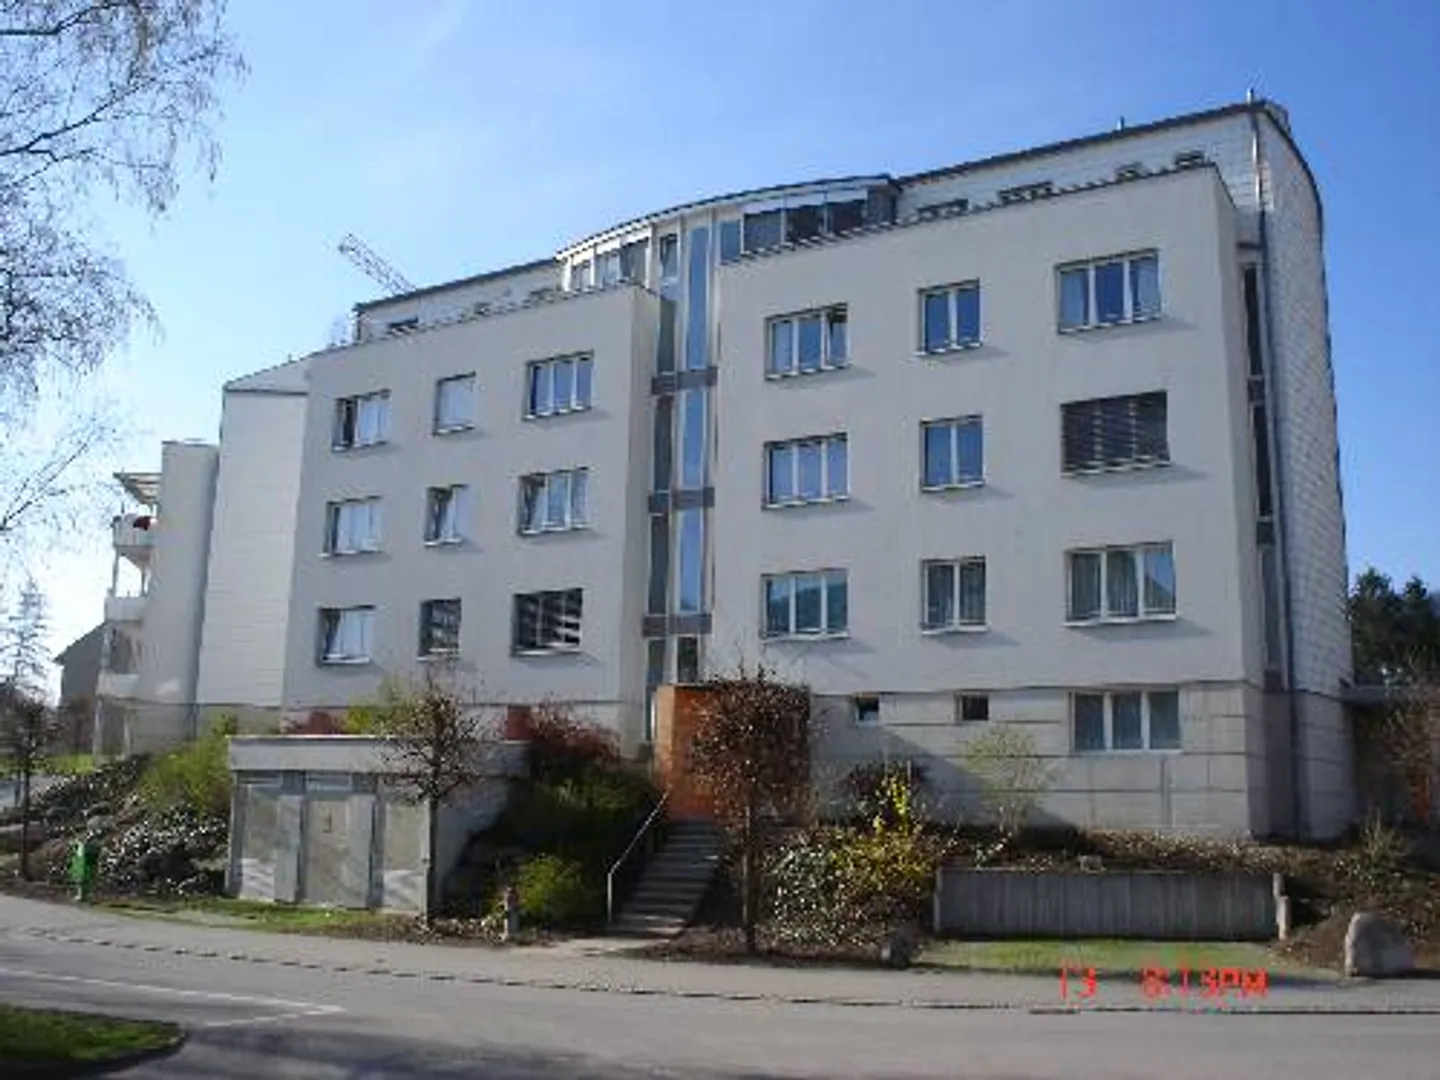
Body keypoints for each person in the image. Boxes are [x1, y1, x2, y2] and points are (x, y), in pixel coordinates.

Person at [69, 830, 100, 902]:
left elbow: (93, 851)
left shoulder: (92, 842)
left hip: (87, 862)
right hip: (81, 862)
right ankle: (81, 895)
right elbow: (74, 849)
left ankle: (85, 895)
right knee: (80, 880)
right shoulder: (81, 842)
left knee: (86, 880)